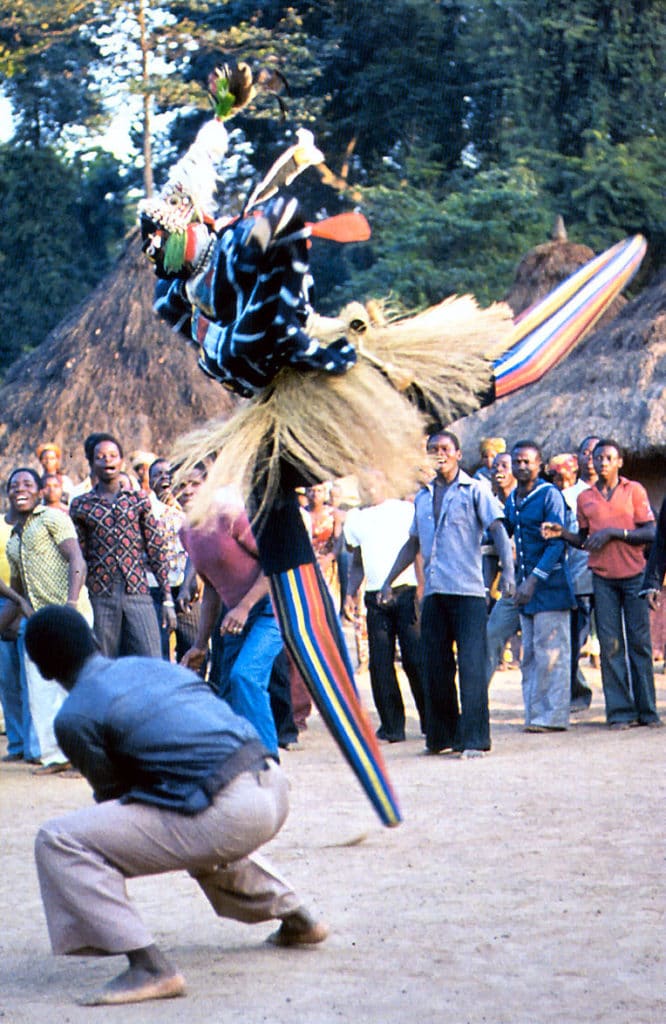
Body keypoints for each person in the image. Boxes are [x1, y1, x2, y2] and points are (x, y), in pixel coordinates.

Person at [24, 605, 328, 1008]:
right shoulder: (152, 667)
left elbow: (117, 800)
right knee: (185, 814)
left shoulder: (73, 715)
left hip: (230, 808)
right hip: (270, 782)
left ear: (44, 672)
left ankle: (150, 968)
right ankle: (298, 918)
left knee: (59, 840)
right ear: (94, 641)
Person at [380, 429, 515, 756]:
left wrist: (508, 571)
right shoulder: (423, 497)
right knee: (435, 667)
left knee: (471, 666)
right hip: (435, 593)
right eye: (432, 449)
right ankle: (442, 737)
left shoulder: (475, 490)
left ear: (457, 454)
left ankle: (475, 740)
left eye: (444, 449)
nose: (438, 454)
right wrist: (387, 580)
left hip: (467, 592)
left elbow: (497, 528)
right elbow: (413, 542)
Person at [542, 439, 661, 729]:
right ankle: (620, 712)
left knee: (640, 644)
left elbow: (651, 531)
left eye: (609, 457)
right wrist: (563, 535)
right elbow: (586, 540)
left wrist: (614, 533)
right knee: (609, 646)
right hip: (603, 579)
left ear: (620, 462)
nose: (602, 462)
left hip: (635, 576)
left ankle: (647, 711)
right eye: (598, 458)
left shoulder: (634, 490)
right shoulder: (586, 498)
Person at [180, 489, 283, 755]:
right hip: (235, 616)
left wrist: (246, 607)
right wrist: (200, 645)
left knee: (245, 677)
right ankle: (242, 765)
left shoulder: (230, 517)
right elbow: (213, 588)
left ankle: (269, 762)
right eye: (179, 483)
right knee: (228, 693)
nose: (187, 491)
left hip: (271, 608)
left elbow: (275, 565)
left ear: (209, 483)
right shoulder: (186, 533)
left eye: (195, 483)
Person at [6, 467, 90, 772]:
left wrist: (70, 604)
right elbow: (18, 587)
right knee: (41, 690)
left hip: (69, 614)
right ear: (8, 494)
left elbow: (76, 559)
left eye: (27, 483)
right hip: (39, 623)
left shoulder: (53, 518)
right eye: (14, 485)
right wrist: (17, 612)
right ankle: (56, 756)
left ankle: (86, 756)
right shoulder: (14, 540)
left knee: (75, 685)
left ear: (40, 491)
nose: (20, 489)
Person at [70, 434, 176, 658]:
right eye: (100, 457)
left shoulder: (138, 500)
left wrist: (167, 598)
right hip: (101, 596)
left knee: (150, 659)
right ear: (91, 463)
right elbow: (79, 556)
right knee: (104, 662)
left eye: (113, 456)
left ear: (121, 462)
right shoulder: (81, 506)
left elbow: (155, 548)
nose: (107, 461)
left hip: (137, 592)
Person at [343, 469, 426, 743]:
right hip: (375, 596)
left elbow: (418, 551)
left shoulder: (405, 511)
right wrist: (350, 592)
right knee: (380, 663)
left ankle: (431, 720)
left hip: (406, 591)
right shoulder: (355, 519)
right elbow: (357, 561)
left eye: (373, 483)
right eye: (363, 485)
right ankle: (392, 725)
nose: (369, 489)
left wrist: (422, 589)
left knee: (415, 658)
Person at [505, 442, 574, 732]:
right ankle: (534, 714)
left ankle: (553, 716)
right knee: (530, 655)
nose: (522, 467)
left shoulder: (549, 495)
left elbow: (556, 542)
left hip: (550, 584)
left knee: (552, 653)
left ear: (539, 464)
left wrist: (534, 580)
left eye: (527, 462)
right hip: (525, 587)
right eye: (517, 462)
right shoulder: (512, 498)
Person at [547, 452, 593, 711]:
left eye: (561, 470)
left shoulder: (584, 495)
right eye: (554, 471)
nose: (557, 474)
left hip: (584, 573)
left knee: (579, 635)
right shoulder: (550, 495)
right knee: (566, 638)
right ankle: (572, 692)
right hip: (560, 575)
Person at [485, 450, 521, 682]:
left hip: (533, 579)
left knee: (546, 645)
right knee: (492, 634)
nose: (499, 470)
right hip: (505, 583)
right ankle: (477, 700)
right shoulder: (488, 504)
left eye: (504, 466)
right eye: (495, 466)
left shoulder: (527, 500)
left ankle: (574, 694)